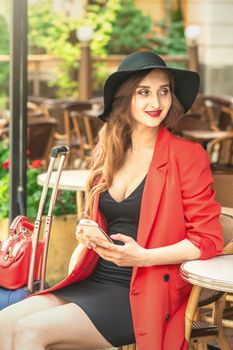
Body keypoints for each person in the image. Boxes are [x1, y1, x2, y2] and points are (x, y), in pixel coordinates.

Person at [0, 51, 223, 350]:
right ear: (125, 98)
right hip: (94, 278)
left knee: (31, 332)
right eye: (143, 92)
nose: (155, 103)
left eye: (163, 91)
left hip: (144, 289)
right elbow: (98, 218)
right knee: (5, 325)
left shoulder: (186, 156)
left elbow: (207, 239)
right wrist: (86, 230)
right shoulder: (108, 150)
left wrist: (142, 256)